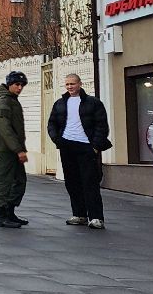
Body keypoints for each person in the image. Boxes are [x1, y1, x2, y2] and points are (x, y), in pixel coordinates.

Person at [47, 72, 111, 229]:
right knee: (72, 182)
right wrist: (58, 140)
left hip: (86, 148)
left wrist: (95, 146)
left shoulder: (93, 103)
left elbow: (102, 126)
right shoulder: (60, 104)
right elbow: (52, 124)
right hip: (67, 147)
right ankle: (79, 214)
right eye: (67, 84)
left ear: (80, 84)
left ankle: (96, 217)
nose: (70, 86)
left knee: (90, 183)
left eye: (72, 83)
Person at [0, 70, 30, 229]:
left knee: (19, 181)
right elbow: (5, 129)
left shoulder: (13, 100)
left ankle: (10, 212)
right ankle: (1, 216)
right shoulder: (3, 102)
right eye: (17, 84)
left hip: (14, 149)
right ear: (9, 84)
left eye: (22, 85)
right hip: (6, 150)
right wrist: (18, 150)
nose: (20, 88)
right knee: (4, 182)